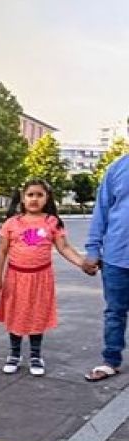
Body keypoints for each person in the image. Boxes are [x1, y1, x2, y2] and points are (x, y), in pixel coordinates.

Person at [0, 179, 88, 376]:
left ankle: (36, 355)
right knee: (15, 313)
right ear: (22, 198)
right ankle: (14, 354)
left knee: (37, 314)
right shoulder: (11, 223)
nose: (34, 199)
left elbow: (64, 248)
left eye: (39, 195)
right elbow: (1, 252)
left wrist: (82, 263)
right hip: (16, 277)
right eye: (30, 195)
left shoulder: (52, 222)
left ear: (47, 198)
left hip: (41, 279)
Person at [83, 152, 128, 381]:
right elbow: (101, 211)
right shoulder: (117, 169)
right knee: (114, 313)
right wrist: (93, 250)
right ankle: (111, 361)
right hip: (116, 256)